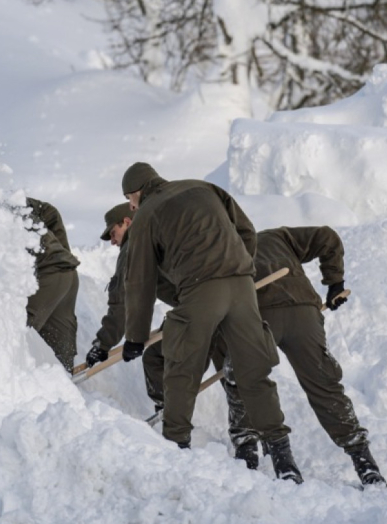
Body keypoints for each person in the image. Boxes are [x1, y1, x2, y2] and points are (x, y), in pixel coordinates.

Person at [119, 162, 303, 483]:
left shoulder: (146, 214)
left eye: (129, 201)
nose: (131, 207)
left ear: (135, 193)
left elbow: (140, 279)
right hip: (242, 283)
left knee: (182, 367)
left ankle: (176, 447)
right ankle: (284, 458)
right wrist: (236, 266)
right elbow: (245, 230)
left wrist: (135, 336)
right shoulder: (204, 187)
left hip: (201, 288)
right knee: (253, 369)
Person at [85, 203, 256, 463]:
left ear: (127, 223)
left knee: (171, 359)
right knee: (227, 366)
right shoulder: (163, 232)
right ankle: (244, 440)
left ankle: (174, 421)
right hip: (226, 299)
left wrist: (104, 343)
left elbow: (122, 298)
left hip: (198, 307)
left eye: (112, 233)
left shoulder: (134, 246)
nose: (112, 241)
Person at [230, 226, 387, 486]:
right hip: (303, 313)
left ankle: (257, 453)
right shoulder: (277, 237)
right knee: (324, 384)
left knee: (244, 377)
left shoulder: (222, 248)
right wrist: (335, 283)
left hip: (259, 314)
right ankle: (366, 464)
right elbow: (328, 237)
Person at [24, 197, 80, 371]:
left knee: (19, 332)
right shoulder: (18, 204)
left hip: (49, 273)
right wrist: (61, 253)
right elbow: (51, 213)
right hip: (67, 272)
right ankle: (65, 383)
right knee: (60, 343)